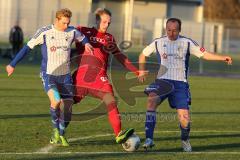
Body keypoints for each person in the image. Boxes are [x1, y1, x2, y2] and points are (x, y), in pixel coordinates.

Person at [138, 18, 232, 152]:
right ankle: (149, 138)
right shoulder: (158, 42)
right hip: (162, 82)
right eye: (169, 30)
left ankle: (185, 140)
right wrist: (141, 70)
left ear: (179, 30)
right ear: (166, 29)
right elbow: (143, 54)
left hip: (180, 85)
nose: (171, 33)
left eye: (174, 30)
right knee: (151, 99)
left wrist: (222, 58)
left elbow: (204, 55)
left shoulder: (187, 43)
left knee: (185, 120)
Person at [6, 8, 93, 146]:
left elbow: (83, 38)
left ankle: (62, 133)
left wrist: (87, 43)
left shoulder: (72, 31)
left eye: (68, 23)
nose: (66, 26)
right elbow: (27, 48)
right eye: (64, 23)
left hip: (65, 76)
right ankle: (55, 131)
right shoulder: (45, 32)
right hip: (49, 75)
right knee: (56, 100)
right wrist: (12, 64)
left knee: (68, 107)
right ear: (57, 20)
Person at [72, 8, 139, 144]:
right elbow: (64, 35)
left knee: (111, 100)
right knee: (66, 104)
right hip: (81, 78)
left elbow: (120, 56)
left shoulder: (109, 38)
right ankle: (58, 132)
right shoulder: (82, 31)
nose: (106, 25)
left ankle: (118, 134)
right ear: (97, 20)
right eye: (104, 22)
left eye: (109, 22)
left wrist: (136, 71)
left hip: (100, 78)